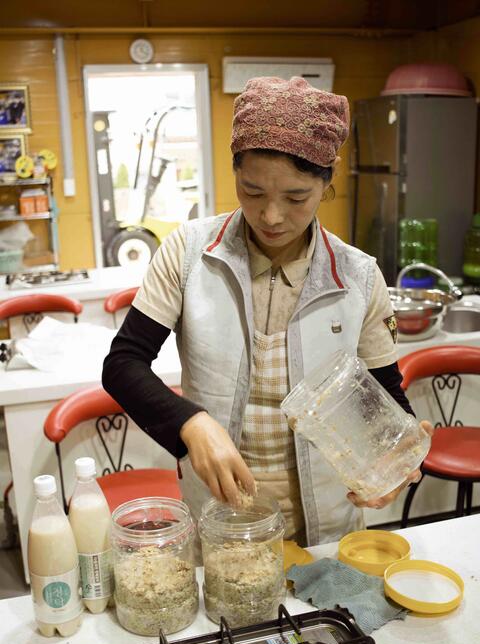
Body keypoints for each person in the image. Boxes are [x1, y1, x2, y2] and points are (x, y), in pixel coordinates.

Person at [103, 76, 432, 547]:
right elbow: (122, 364)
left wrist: (397, 455)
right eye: (252, 191)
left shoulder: (357, 276)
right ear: (235, 171)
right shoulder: (190, 253)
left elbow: (383, 395)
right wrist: (190, 423)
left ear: (326, 184)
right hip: (219, 515)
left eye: (296, 197)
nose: (272, 216)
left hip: (324, 526)